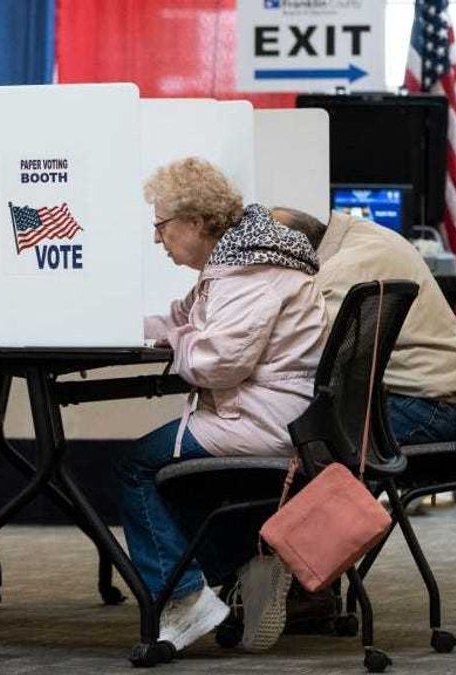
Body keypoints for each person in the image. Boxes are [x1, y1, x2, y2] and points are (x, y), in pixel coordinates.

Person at [119, 157, 328, 653]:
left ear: (194, 222)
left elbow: (218, 363)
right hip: (275, 413)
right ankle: (249, 558)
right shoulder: (240, 261)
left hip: (260, 420)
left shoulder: (247, 272)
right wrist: (120, 324)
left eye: (161, 225)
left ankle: (187, 598)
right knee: (172, 473)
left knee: (135, 466)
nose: (157, 238)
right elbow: (182, 318)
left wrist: (179, 339)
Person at [271, 207, 456, 446]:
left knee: (307, 443)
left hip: (429, 408)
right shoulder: (357, 233)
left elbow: (300, 354)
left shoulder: (339, 274)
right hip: (435, 397)